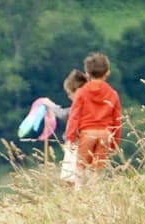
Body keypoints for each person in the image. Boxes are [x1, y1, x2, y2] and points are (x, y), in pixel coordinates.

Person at [63, 52, 121, 186]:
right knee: (97, 169)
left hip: (87, 133)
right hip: (105, 134)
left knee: (80, 167)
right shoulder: (113, 93)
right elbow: (117, 120)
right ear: (107, 73)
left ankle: (80, 194)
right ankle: (94, 194)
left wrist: (70, 138)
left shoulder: (81, 92)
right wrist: (115, 142)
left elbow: (74, 116)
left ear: (87, 73)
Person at [47, 69, 89, 185]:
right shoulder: (92, 101)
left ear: (76, 90)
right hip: (88, 142)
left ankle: (76, 198)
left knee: (70, 178)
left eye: (69, 94)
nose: (70, 98)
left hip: (75, 144)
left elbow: (66, 115)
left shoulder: (80, 102)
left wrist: (51, 106)